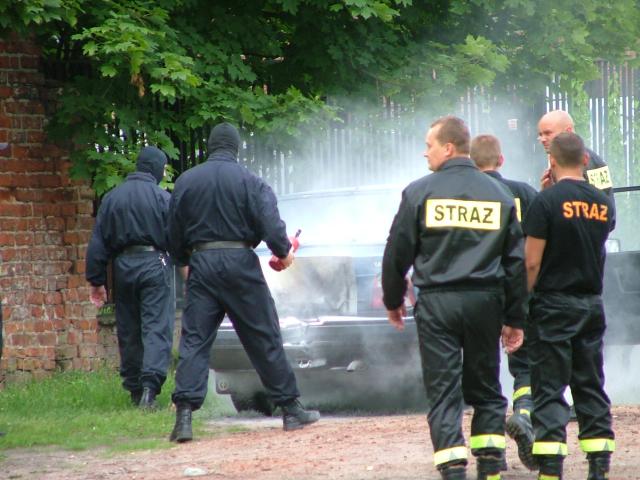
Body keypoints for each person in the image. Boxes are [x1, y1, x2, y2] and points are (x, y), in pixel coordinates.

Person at [382, 116, 528, 480]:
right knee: (486, 386)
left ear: (448, 147)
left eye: (428, 144)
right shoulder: (498, 195)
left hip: (437, 303)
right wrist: (514, 317)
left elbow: (397, 251)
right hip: (485, 301)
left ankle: (452, 470)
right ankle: (491, 464)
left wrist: (393, 298)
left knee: (444, 388)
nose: (424, 151)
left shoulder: (419, 192)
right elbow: (515, 263)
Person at [167, 122, 319, 443]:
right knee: (263, 335)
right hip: (240, 263)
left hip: (202, 264)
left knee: (195, 340)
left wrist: (185, 261)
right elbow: (270, 223)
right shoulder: (251, 181)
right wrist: (283, 252)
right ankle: (291, 410)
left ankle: (183, 418)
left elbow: (174, 232)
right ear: (236, 148)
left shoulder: (186, 182)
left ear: (209, 146)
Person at [523, 132, 615, 480]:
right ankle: (599, 466)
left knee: (549, 388)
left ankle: (550, 471)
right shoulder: (602, 204)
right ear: (586, 161)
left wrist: (519, 307)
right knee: (590, 384)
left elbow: (531, 263)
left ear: (552, 161)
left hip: (551, 305)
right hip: (591, 304)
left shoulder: (545, 202)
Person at [86, 146, 174, 410]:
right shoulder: (162, 198)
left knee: (129, 329)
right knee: (156, 327)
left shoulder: (112, 198)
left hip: (123, 267)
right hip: (154, 264)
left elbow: (98, 242)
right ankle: (150, 390)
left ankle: (135, 390)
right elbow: (176, 237)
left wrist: (97, 280)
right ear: (156, 168)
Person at [470, 134, 538, 471]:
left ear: (470, 162)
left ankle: (491, 447)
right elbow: (543, 241)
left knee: (484, 372)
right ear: (501, 159)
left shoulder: (465, 195)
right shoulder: (524, 192)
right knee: (524, 364)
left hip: (478, 293)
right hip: (521, 292)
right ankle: (524, 415)